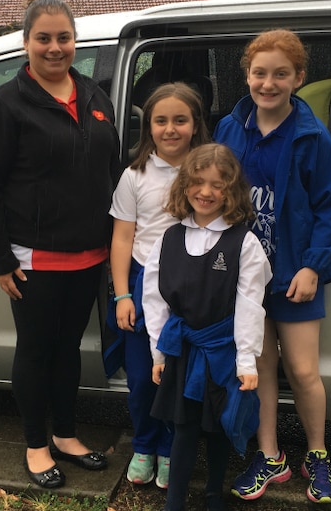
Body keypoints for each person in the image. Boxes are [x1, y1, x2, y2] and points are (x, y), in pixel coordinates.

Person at [0, 0, 120, 490]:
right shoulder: (5, 105)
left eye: (63, 38)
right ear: (26, 42)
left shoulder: (96, 96)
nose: (55, 48)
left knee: (68, 348)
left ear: (75, 41)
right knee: (36, 350)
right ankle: (37, 444)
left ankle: (67, 435)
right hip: (32, 257)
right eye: (44, 38)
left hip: (89, 253)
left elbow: (110, 173)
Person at [212, 29, 331, 504]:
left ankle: (318, 455)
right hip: (245, 277)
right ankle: (270, 456)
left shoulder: (311, 136)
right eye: (259, 73)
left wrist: (313, 266)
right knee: (261, 365)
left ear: (298, 78)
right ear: (247, 75)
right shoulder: (230, 129)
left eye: (281, 74)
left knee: (303, 370)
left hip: (293, 274)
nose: (268, 83)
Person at [143, 143, 272, 511]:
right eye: (198, 182)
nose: (206, 192)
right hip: (182, 351)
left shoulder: (243, 242)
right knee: (183, 427)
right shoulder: (169, 238)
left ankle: (214, 494)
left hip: (223, 351)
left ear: (231, 191)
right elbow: (154, 298)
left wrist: (246, 360)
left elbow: (250, 304)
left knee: (218, 428)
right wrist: (158, 351)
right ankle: (175, 502)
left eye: (218, 185)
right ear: (184, 185)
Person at [107, 82, 210, 489]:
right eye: (160, 120)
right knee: (142, 378)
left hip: (192, 289)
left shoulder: (207, 173)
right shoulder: (134, 176)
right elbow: (122, 238)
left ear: (195, 124)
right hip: (141, 286)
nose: (170, 129)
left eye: (180, 120)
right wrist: (122, 295)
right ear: (147, 126)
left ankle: (171, 449)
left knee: (179, 376)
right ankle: (144, 445)